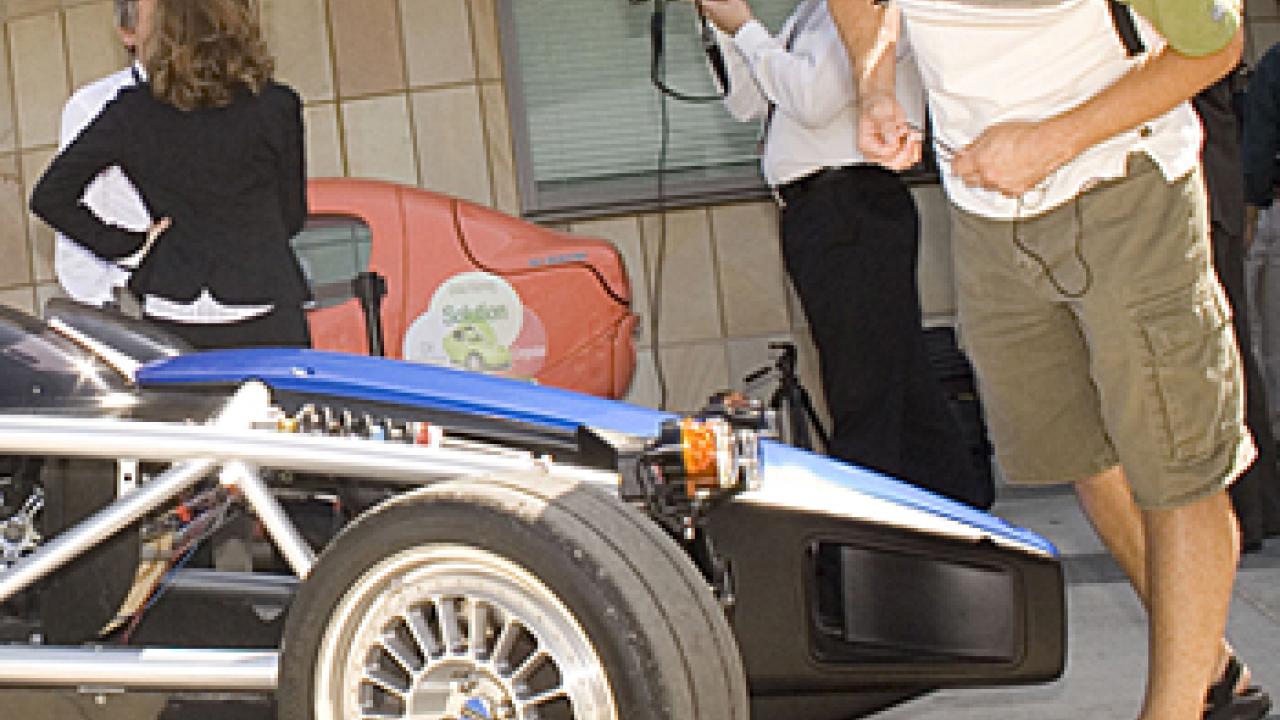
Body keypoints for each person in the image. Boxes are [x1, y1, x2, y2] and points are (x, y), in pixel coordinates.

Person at [828, 0, 1270, 719]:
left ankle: (1177, 707)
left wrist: (1054, 140)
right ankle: (1207, 668)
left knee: (1179, 469)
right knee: (1080, 452)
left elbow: (1215, 48)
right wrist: (876, 84)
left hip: (1125, 186)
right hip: (986, 215)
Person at [697, 0, 991, 508]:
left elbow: (813, 98)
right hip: (821, 210)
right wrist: (720, 27)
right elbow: (750, 103)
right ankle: (953, 507)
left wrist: (744, 26)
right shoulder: (811, 13)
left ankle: (869, 532)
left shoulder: (867, 11)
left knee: (865, 387)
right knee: (892, 377)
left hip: (852, 202)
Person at [31, 0, 311, 350]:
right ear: (239, 29)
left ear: (159, 35)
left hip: (173, 307)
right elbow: (292, 217)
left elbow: (49, 196)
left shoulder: (132, 111)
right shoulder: (277, 105)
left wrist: (130, 244)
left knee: (186, 407)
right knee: (279, 405)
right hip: (264, 301)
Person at [1194, 69, 1280, 554]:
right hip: (1213, 198)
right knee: (1233, 354)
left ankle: (1243, 510)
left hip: (1199, 203)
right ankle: (1255, 506)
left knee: (1219, 360)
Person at [53, 0, 148, 309]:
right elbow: (68, 210)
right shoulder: (94, 105)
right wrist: (105, 304)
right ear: (128, 33)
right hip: (131, 292)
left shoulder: (232, 103)